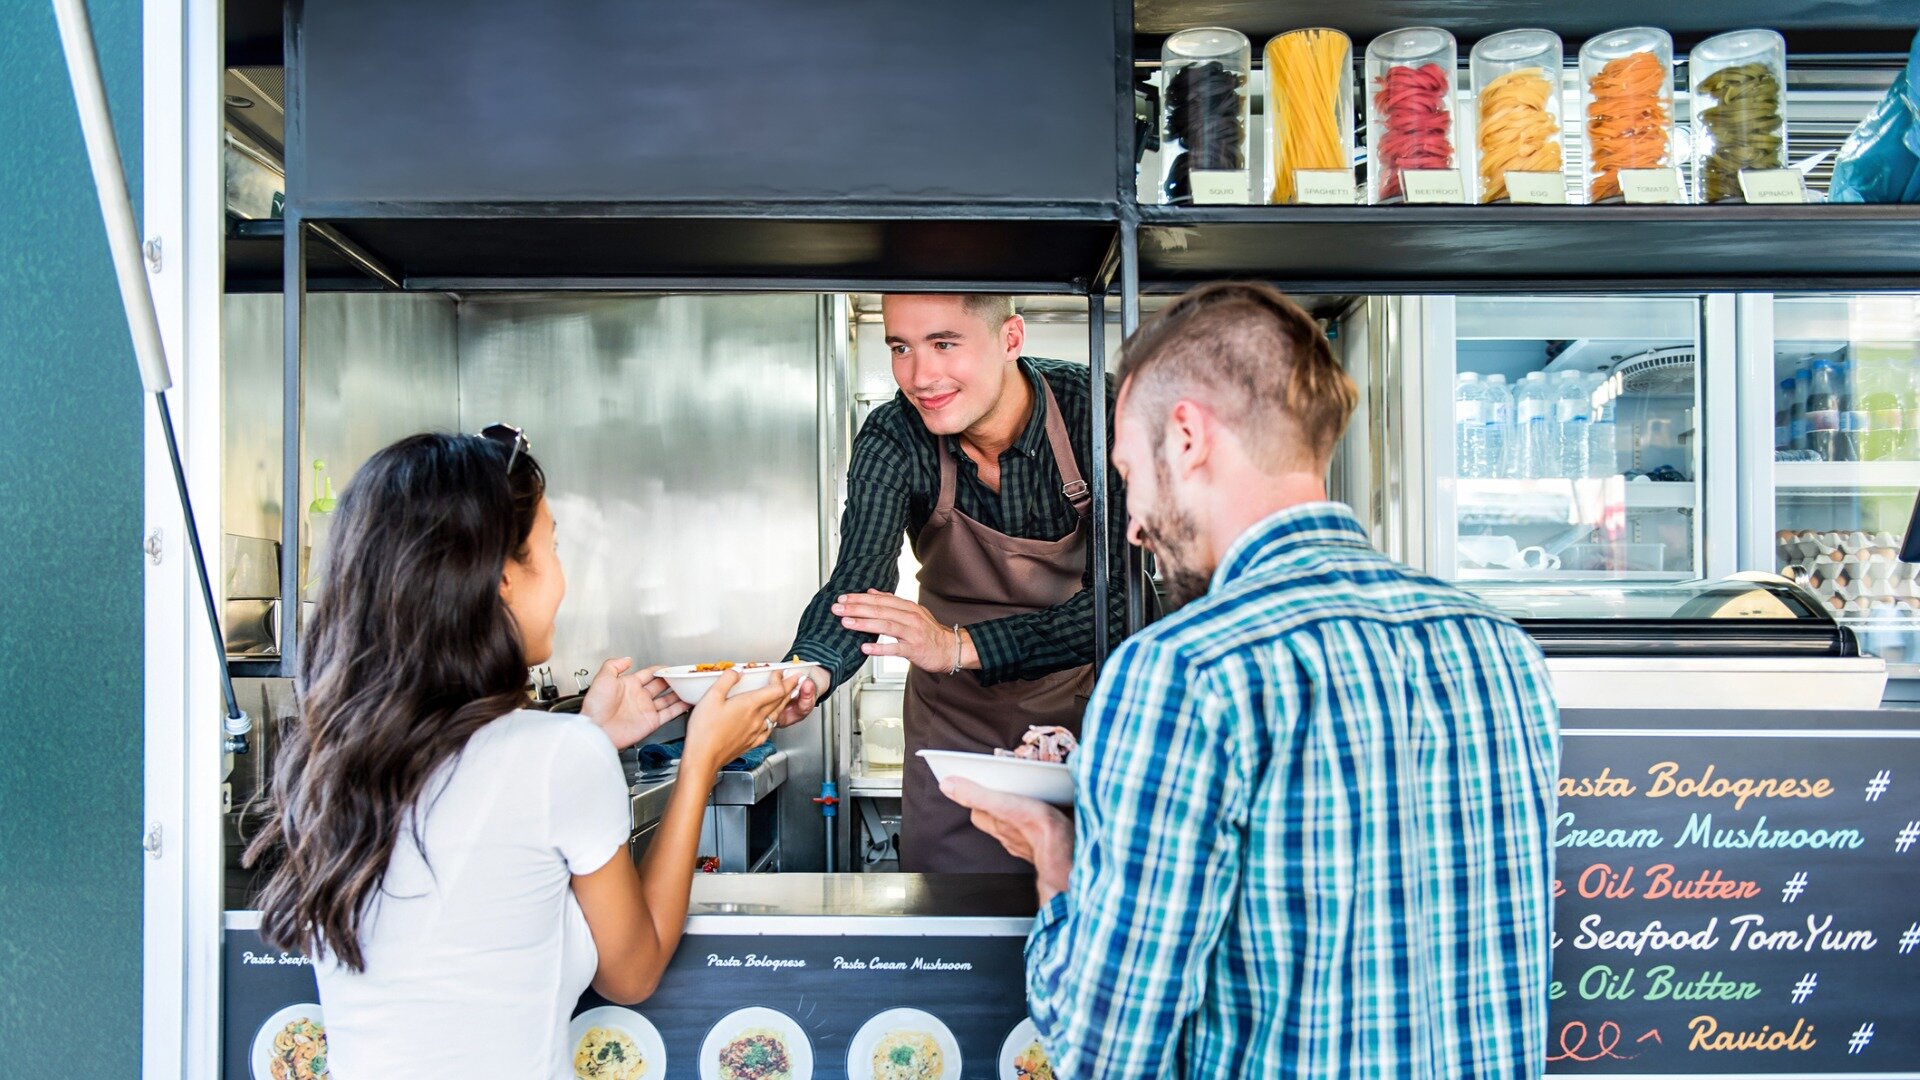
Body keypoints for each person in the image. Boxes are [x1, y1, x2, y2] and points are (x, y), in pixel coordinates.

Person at [946, 282, 1560, 1077]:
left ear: (1189, 436)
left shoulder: (1185, 670)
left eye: (1131, 472)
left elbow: (1104, 1049)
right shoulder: (1501, 649)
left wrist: (1054, 853)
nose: (1132, 521)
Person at [244, 428, 797, 1078]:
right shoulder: (556, 757)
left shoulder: (329, 757)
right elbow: (634, 971)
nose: (562, 577)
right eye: (552, 547)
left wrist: (592, 737)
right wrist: (701, 760)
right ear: (505, 579)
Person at [778, 294, 1132, 872]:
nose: (921, 377)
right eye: (901, 348)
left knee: (1087, 892)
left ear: (1010, 339)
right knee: (948, 916)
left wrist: (957, 646)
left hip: (1085, 720)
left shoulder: (1102, 412)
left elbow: (1126, 604)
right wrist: (806, 674)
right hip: (953, 730)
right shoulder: (895, 435)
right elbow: (859, 581)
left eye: (944, 344)